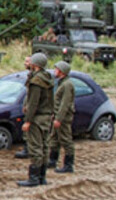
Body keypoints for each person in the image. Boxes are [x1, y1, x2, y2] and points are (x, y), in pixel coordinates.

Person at [17, 52, 54, 187]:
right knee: (44, 147)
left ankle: (33, 179)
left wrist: (27, 121)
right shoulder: (47, 77)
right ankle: (42, 177)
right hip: (46, 117)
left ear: (35, 64)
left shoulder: (36, 81)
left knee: (35, 148)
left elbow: (33, 103)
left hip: (37, 118)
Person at [48, 61, 76, 174]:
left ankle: (68, 165)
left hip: (63, 118)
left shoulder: (67, 84)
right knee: (54, 139)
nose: (55, 71)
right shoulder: (62, 83)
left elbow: (65, 103)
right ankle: (52, 160)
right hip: (57, 116)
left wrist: (59, 118)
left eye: (56, 69)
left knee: (66, 140)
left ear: (62, 71)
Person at [15, 55, 33, 159]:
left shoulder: (35, 77)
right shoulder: (30, 76)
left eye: (27, 61)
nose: (25, 63)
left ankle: (29, 150)